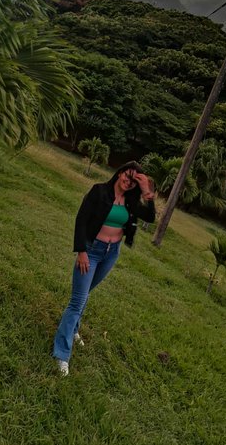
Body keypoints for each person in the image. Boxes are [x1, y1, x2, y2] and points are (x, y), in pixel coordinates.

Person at [53, 161, 155, 376]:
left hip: (111, 253)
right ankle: (62, 354)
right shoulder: (99, 191)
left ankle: (73, 329)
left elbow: (150, 217)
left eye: (134, 181)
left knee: (86, 292)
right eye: (127, 176)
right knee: (77, 301)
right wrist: (81, 251)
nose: (128, 182)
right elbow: (81, 220)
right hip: (91, 251)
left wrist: (147, 192)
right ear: (119, 173)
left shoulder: (130, 201)